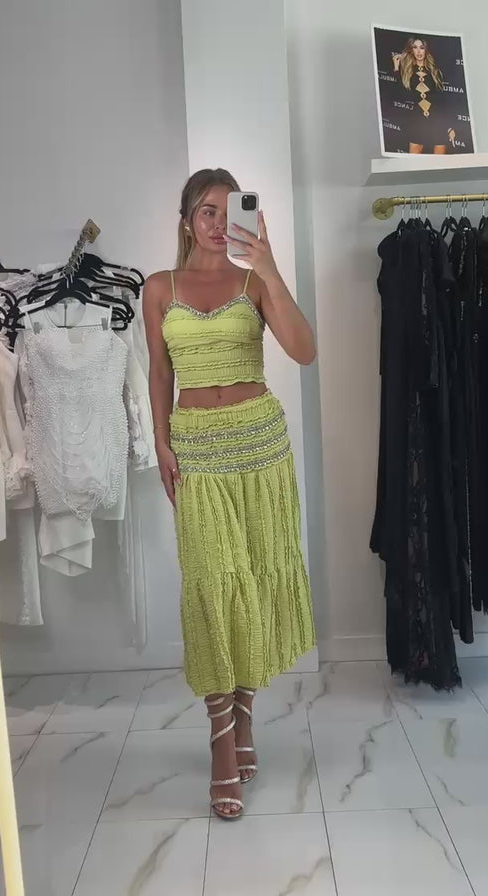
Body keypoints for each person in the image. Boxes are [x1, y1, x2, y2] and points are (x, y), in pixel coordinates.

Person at [143, 168, 316, 820]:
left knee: (253, 582)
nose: (219, 223)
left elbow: (304, 350)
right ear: (187, 220)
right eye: (206, 212)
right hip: (198, 449)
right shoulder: (159, 288)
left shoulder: (253, 281)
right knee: (213, 585)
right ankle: (222, 738)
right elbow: (160, 373)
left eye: (229, 210)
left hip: (260, 446)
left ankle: (243, 718)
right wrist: (161, 443)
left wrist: (267, 264)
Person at [392, 37, 456, 154]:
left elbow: (442, 101)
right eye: (415, 48)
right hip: (417, 122)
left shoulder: (434, 71)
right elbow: (400, 95)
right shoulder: (407, 72)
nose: (419, 51)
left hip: (437, 122)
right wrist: (397, 68)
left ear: (426, 50)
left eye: (422, 48)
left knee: (439, 163)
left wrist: (449, 127)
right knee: (414, 163)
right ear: (411, 50)